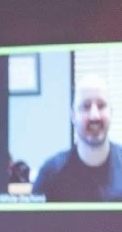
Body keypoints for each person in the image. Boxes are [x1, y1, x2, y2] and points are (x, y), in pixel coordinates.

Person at [34, 75, 122, 203]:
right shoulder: (50, 174)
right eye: (86, 106)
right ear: (73, 116)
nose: (94, 115)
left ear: (111, 113)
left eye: (101, 105)